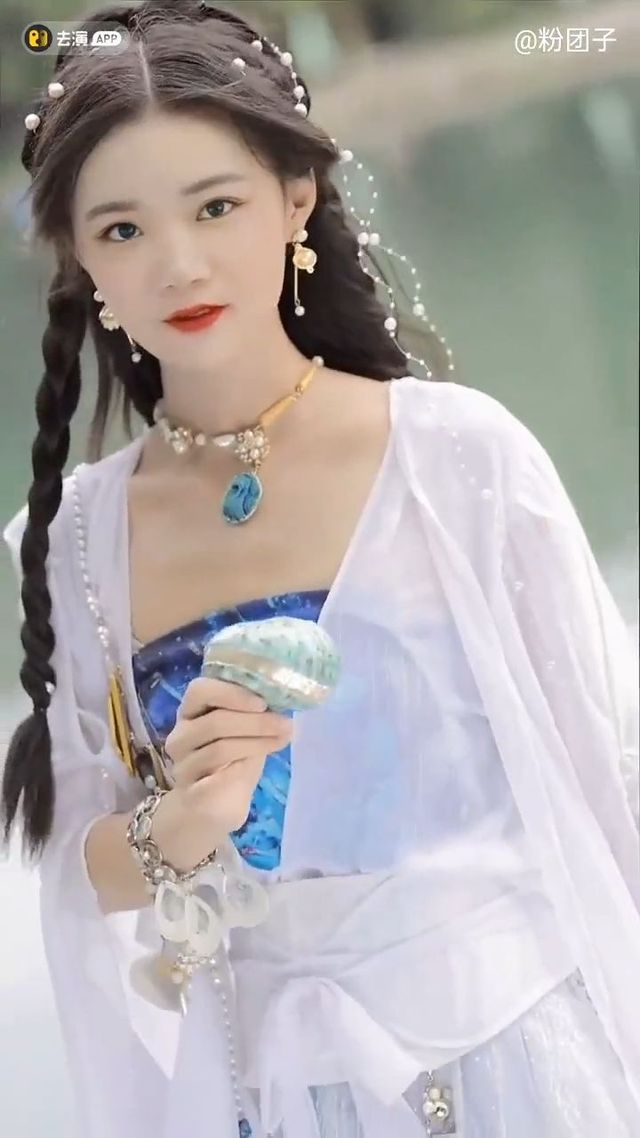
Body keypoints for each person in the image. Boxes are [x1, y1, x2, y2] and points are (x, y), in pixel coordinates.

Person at [2, 3, 639, 1137]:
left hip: (515, 1062)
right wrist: (186, 819)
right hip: (264, 1088)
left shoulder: (458, 457)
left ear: (296, 197)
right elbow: (74, 867)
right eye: (123, 229)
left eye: (216, 205)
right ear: (80, 257)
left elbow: (610, 781)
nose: (179, 263)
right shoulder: (72, 538)